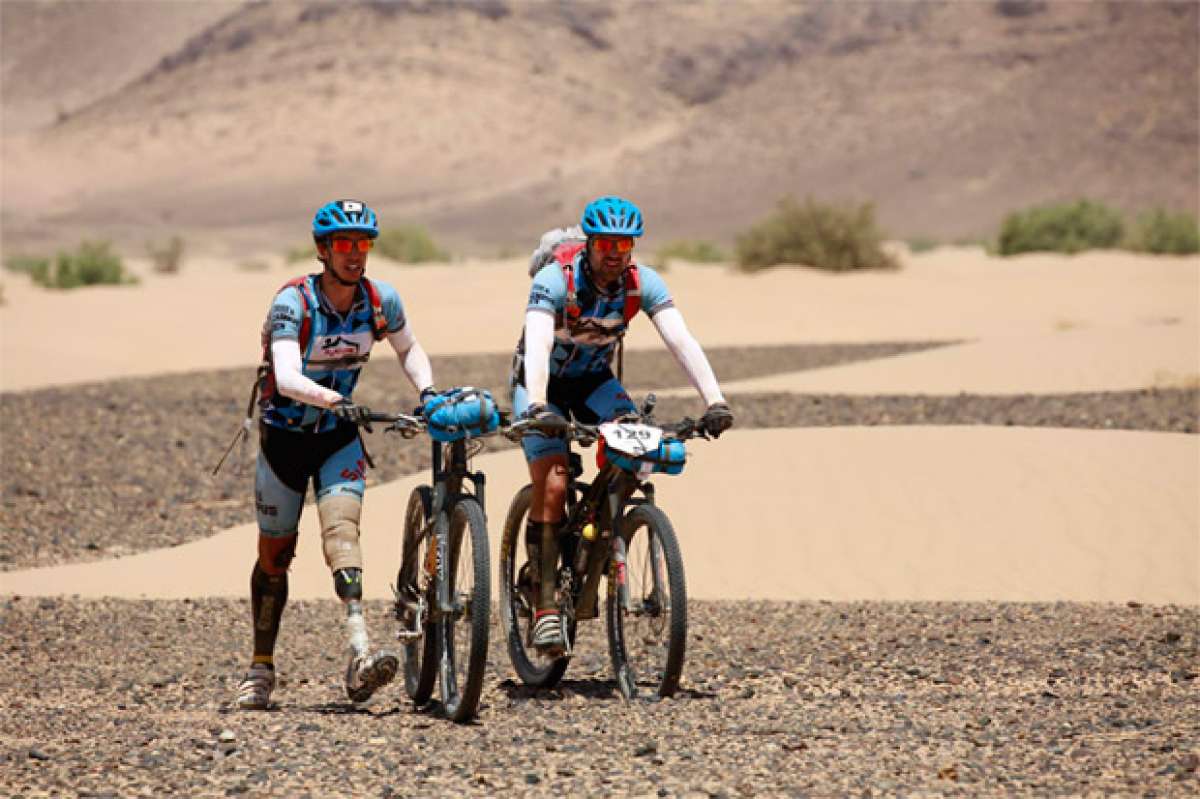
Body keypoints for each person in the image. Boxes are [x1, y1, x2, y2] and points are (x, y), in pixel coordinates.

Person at [235, 199, 439, 709]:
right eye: (344, 245)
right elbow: (285, 376)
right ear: (323, 250)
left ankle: (361, 655)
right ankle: (261, 667)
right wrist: (336, 400)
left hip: (337, 438)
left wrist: (429, 393)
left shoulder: (380, 300)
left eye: (363, 244)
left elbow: (409, 349)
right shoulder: (293, 303)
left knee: (343, 540)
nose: (354, 254)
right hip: (283, 440)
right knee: (275, 557)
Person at [510, 195, 734, 655]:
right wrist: (536, 404)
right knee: (553, 481)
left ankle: (602, 533)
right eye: (607, 242)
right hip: (543, 385)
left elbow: (680, 339)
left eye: (625, 244)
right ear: (590, 243)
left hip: (594, 382)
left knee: (637, 454)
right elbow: (535, 343)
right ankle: (547, 605)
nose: (615, 252)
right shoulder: (556, 280)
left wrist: (714, 399)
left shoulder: (641, 283)